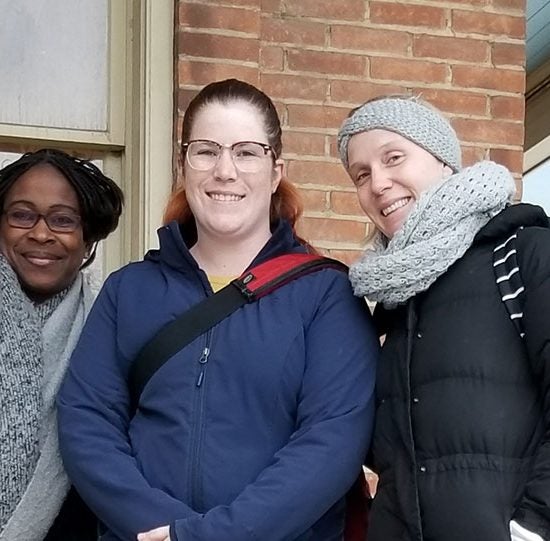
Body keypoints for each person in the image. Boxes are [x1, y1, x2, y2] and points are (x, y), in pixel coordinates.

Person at [56, 78, 379, 541]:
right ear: (184, 166)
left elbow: (331, 441)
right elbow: (87, 423)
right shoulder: (128, 291)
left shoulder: (326, 294)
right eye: (206, 151)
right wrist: (164, 530)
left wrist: (214, 535)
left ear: (275, 172)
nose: (225, 171)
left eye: (246, 152)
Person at [337, 94, 550, 541]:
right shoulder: (393, 298)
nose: (378, 183)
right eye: (361, 174)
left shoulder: (522, 255)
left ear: (443, 161)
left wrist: (533, 526)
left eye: (394, 157)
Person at [0, 148, 124, 541]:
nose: (40, 233)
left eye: (63, 220)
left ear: (87, 239)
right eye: (22, 215)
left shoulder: (112, 330)